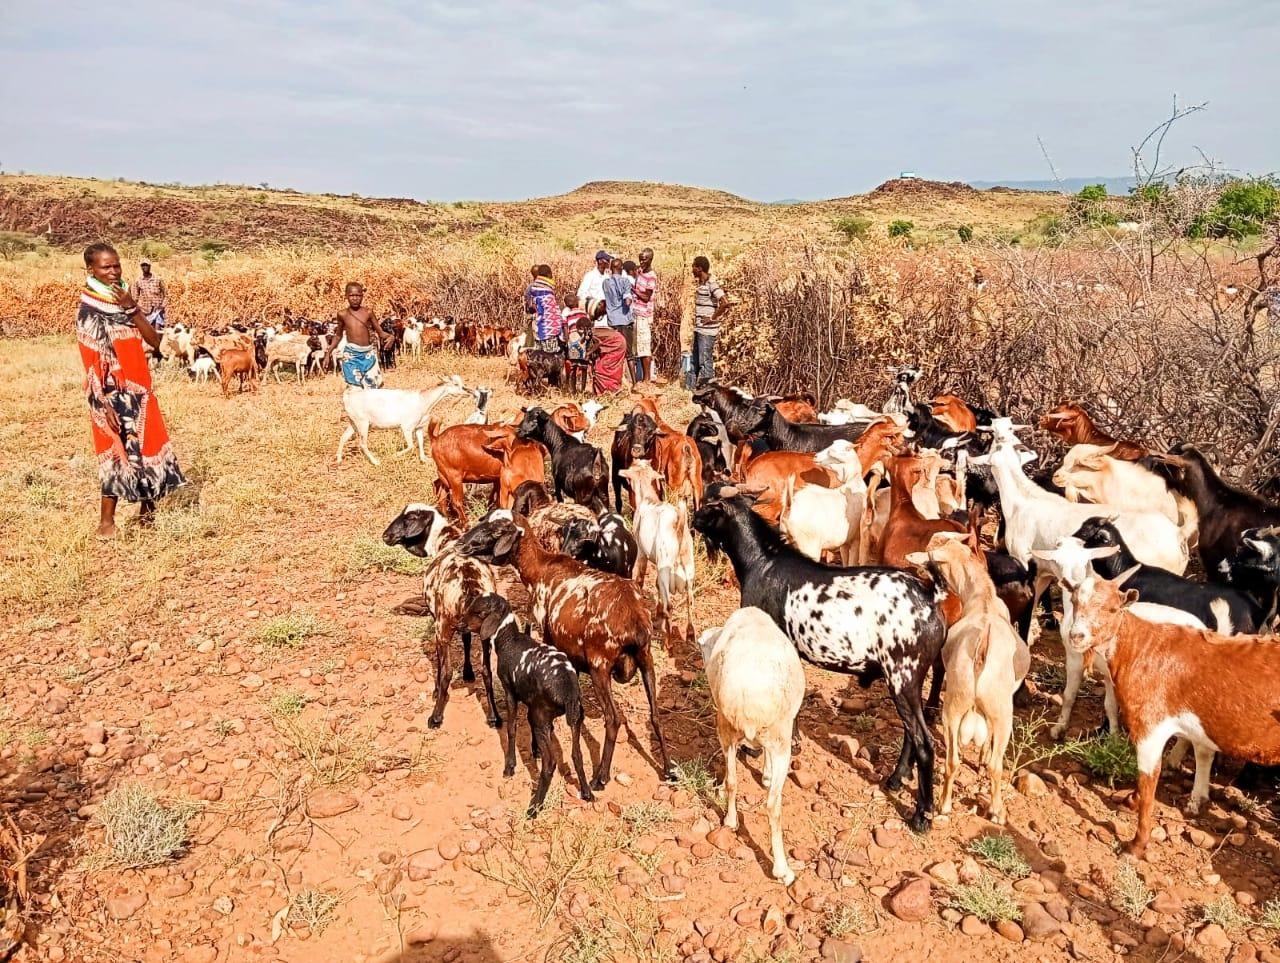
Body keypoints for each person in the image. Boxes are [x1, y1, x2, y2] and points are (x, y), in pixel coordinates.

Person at [78, 243, 185, 538]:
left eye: (116, 265)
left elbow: (155, 341)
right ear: (91, 270)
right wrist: (103, 405)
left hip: (140, 389)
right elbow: (90, 361)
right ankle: (106, 523)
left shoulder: (125, 298)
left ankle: (147, 512)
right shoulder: (89, 309)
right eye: (105, 267)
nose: (113, 272)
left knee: (147, 446)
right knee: (115, 451)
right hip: (111, 394)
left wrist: (131, 307)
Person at [331, 282, 387, 388]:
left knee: (373, 386)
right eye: (352, 295)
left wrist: (391, 337)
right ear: (346, 296)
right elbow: (338, 336)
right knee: (354, 388)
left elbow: (381, 333)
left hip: (368, 354)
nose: (355, 298)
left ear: (362, 296)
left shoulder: (369, 312)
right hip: (351, 355)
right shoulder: (342, 314)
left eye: (358, 295)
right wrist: (328, 353)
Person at [688, 255, 729, 388]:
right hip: (699, 328)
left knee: (705, 362)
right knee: (695, 360)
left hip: (707, 330)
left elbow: (725, 303)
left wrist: (711, 319)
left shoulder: (712, 284)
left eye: (694, 266)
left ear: (699, 268)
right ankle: (693, 389)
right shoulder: (701, 284)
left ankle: (708, 390)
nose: (692, 269)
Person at [603, 258, 634, 383]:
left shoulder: (605, 282)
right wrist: (628, 299)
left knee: (615, 353)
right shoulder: (625, 281)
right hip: (625, 321)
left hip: (612, 322)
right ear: (621, 268)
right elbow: (627, 300)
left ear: (611, 268)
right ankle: (634, 383)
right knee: (629, 354)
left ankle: (616, 381)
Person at [591, 292, 628, 395]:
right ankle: (612, 390)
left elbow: (597, 343)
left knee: (602, 369)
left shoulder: (596, 326)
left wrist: (588, 353)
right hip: (619, 343)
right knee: (613, 369)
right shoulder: (609, 318)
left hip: (615, 345)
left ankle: (607, 392)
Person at [631, 248, 658, 384]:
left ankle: (647, 379)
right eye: (640, 259)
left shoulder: (651, 276)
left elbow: (646, 297)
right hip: (636, 313)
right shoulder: (640, 272)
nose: (641, 262)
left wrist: (632, 289)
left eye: (644, 259)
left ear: (650, 259)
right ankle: (640, 378)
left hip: (644, 315)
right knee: (637, 347)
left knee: (644, 348)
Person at [525, 265, 564, 351]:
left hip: (538, 325)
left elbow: (531, 305)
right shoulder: (546, 289)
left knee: (539, 352)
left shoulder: (533, 288)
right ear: (548, 274)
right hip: (547, 327)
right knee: (550, 354)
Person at [577, 250, 611, 320]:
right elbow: (581, 293)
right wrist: (593, 303)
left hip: (606, 312)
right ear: (600, 261)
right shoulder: (590, 276)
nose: (609, 262)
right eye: (607, 260)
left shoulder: (607, 277)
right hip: (594, 313)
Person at [134, 261, 168, 331]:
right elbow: (135, 297)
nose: (144, 267)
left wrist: (162, 306)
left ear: (150, 266)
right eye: (143, 266)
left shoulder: (158, 279)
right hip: (145, 310)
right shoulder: (138, 281)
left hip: (158, 310)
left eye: (146, 265)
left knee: (157, 330)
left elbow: (166, 294)